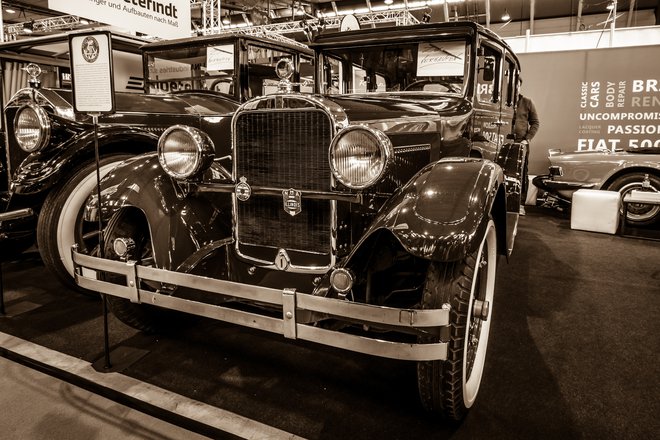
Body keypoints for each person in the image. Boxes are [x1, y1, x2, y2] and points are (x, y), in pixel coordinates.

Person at [513, 76, 540, 214]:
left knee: (521, 174)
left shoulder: (527, 102)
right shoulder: (502, 102)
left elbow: (535, 123)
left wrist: (527, 139)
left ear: (519, 86)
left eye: (517, 84)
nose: (514, 86)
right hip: (502, 142)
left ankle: (520, 204)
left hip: (521, 143)